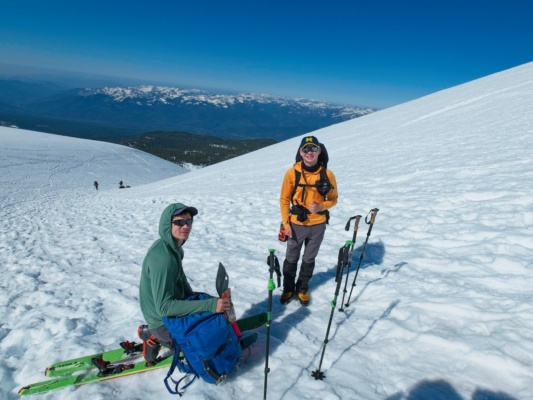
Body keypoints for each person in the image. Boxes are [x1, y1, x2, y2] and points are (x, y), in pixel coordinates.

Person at [138, 203, 232, 364]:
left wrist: (201, 302)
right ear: (168, 224)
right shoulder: (163, 258)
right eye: (179, 222)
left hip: (171, 312)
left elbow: (181, 280)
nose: (185, 226)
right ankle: (153, 336)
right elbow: (164, 308)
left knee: (211, 321)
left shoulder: (174, 248)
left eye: (189, 221)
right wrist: (209, 306)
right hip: (162, 322)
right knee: (204, 345)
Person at [279, 136, 338, 306]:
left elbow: (334, 199)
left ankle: (302, 288)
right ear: (300, 152)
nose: (309, 152)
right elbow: (284, 200)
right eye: (305, 149)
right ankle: (288, 288)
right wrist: (287, 224)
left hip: (318, 225)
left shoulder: (327, 174)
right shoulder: (292, 173)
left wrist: (321, 206)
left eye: (313, 148)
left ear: (319, 151)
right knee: (291, 257)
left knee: (309, 258)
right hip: (297, 224)